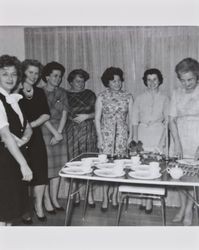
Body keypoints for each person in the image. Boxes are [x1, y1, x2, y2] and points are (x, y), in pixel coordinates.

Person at [0, 54, 32, 226]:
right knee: (3, 213)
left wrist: (23, 139)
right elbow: (5, 134)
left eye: (13, 74)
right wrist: (24, 164)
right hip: (3, 163)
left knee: (11, 213)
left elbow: (28, 127)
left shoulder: (13, 100)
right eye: (5, 74)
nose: (10, 78)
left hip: (13, 158)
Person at [95, 67, 133, 211]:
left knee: (119, 166)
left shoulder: (128, 96)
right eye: (113, 81)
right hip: (106, 135)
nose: (117, 83)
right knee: (105, 167)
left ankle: (116, 196)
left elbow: (131, 119)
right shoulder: (102, 96)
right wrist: (99, 138)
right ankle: (105, 197)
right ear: (107, 82)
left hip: (122, 136)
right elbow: (97, 119)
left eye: (118, 80)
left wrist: (130, 137)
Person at [132, 68, 169, 213]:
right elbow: (134, 119)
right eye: (149, 79)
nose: (152, 82)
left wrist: (162, 141)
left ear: (159, 80)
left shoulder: (165, 98)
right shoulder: (139, 98)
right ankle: (142, 197)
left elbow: (167, 122)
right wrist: (135, 139)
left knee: (153, 167)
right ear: (145, 81)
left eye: (155, 79)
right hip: (142, 134)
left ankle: (149, 201)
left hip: (157, 134)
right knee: (141, 166)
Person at [19, 59, 51, 222]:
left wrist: (29, 126)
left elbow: (46, 114)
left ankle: (38, 206)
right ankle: (25, 209)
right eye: (30, 72)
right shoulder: (14, 91)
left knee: (40, 172)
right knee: (21, 175)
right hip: (18, 138)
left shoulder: (39, 92)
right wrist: (24, 129)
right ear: (23, 72)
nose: (34, 76)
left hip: (35, 137)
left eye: (37, 73)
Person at [169, 57, 199, 226]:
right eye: (183, 80)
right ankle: (181, 207)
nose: (186, 84)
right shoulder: (176, 93)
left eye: (190, 80)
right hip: (179, 136)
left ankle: (188, 209)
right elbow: (172, 119)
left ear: (197, 76)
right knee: (179, 175)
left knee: (193, 176)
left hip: (197, 137)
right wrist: (177, 143)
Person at [65, 69, 97, 206]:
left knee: (88, 162)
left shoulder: (90, 94)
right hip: (71, 131)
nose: (81, 83)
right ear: (71, 81)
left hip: (88, 130)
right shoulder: (64, 94)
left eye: (83, 81)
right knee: (73, 162)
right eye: (78, 81)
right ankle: (75, 194)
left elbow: (98, 112)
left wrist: (87, 116)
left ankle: (89, 194)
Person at [41, 61, 68, 212]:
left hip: (59, 131)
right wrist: (54, 132)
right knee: (45, 169)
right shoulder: (39, 92)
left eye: (60, 76)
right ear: (47, 76)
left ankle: (55, 199)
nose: (58, 79)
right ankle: (46, 201)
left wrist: (59, 132)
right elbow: (41, 116)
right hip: (45, 131)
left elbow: (65, 113)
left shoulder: (62, 92)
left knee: (57, 169)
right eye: (55, 76)